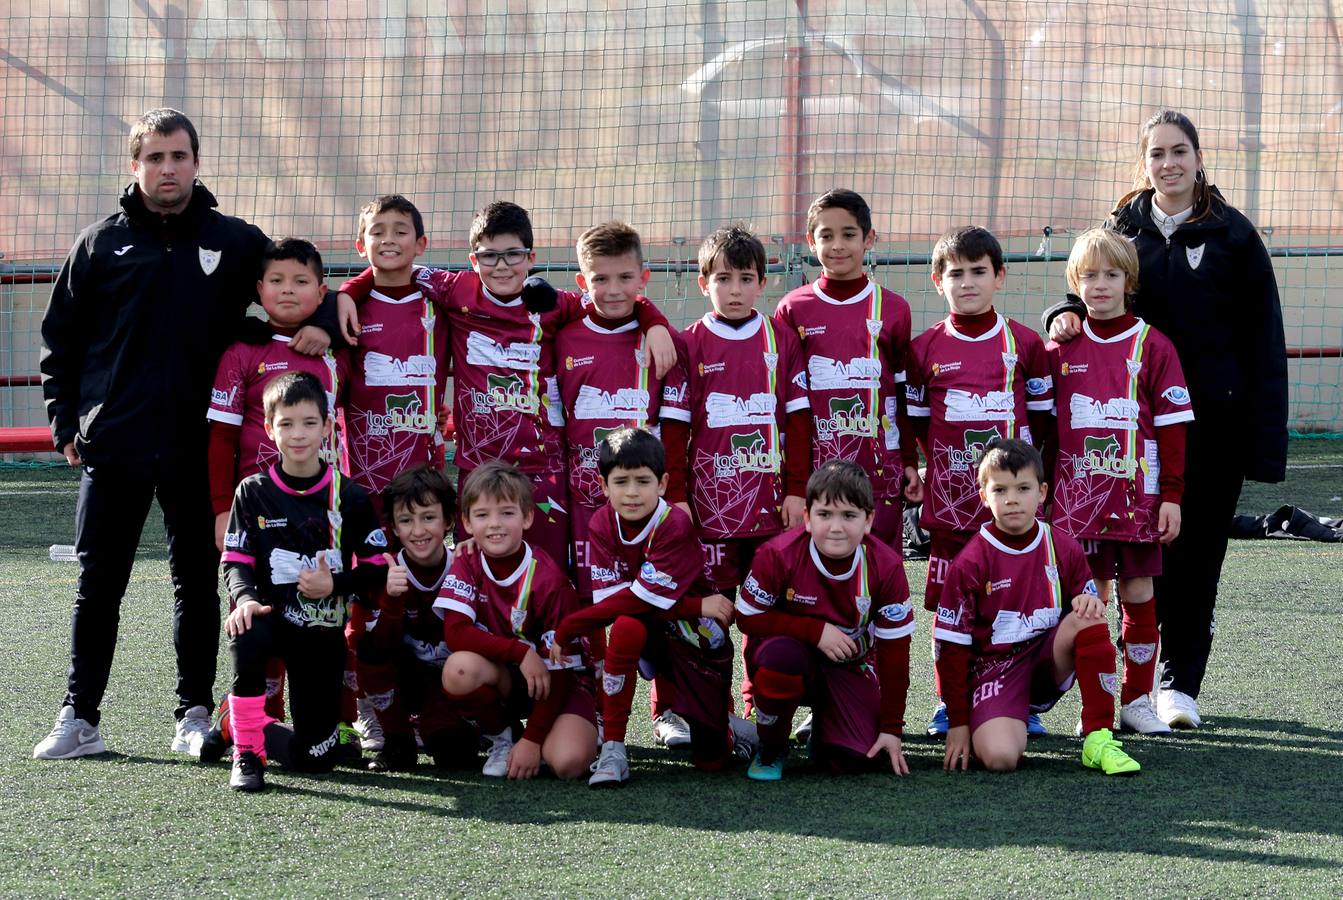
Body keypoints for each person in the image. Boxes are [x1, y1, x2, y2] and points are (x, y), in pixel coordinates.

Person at [34, 108, 337, 760]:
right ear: (135, 165)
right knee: (99, 582)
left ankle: (193, 714)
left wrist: (333, 316)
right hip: (113, 443)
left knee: (197, 580)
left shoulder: (233, 239)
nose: (167, 169)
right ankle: (79, 717)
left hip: (195, 447)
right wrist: (66, 421)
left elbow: (301, 277)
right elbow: (61, 339)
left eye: (178, 156)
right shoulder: (98, 244)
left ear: (196, 162)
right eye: (155, 158)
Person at [1043, 110, 1288, 728]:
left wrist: (1264, 442)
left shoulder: (1235, 236)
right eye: (1157, 154)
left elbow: (1265, 340)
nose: (1169, 164)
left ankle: (1180, 686)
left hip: (1212, 429)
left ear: (1199, 158)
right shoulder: (1123, 228)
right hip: (1126, 436)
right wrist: (1061, 314)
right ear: (1143, 163)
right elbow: (1091, 285)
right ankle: (1119, 690)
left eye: (1180, 151)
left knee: (1196, 557)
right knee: (1120, 568)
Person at [338, 201, 677, 567]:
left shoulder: (554, 305)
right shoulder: (454, 291)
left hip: (543, 469)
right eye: (490, 256)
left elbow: (612, 299)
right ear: (473, 260)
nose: (501, 266)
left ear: (531, 257)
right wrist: (346, 292)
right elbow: (389, 263)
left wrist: (653, 320)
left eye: (513, 255)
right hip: (477, 467)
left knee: (546, 572)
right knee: (477, 574)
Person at [905, 225, 1053, 736]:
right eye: (955, 273)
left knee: (1014, 605)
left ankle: (1021, 703)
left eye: (978, 272)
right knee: (952, 609)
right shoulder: (923, 349)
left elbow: (1043, 425)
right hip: (951, 510)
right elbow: (918, 424)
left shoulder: (1026, 344)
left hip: (1011, 511)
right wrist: (928, 467)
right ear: (937, 281)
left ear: (999, 276)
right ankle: (951, 703)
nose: (967, 283)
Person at [659, 224, 811, 717]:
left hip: (769, 510)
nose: (736, 290)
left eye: (746, 279)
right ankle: (682, 709)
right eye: (723, 279)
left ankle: (756, 704)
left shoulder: (781, 339)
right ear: (704, 284)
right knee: (704, 612)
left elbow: (798, 422)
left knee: (767, 612)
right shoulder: (689, 343)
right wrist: (677, 496)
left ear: (762, 283)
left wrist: (796, 491)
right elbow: (675, 432)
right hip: (709, 511)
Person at [1046, 228, 1193, 734]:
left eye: (1111, 275)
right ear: (1075, 281)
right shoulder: (1059, 348)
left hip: (1137, 503)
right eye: (1089, 276)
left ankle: (1136, 701)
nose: (1100, 285)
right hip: (1075, 504)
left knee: (1138, 594)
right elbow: (1042, 427)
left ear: (1129, 280)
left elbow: (1173, 428)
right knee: (1087, 602)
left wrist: (1171, 494)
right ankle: (1095, 706)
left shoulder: (1154, 345)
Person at [550, 427, 753, 787]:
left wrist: (570, 627)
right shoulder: (600, 523)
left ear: (662, 484)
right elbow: (620, 604)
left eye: (642, 481)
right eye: (621, 481)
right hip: (665, 620)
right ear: (603, 484)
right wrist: (694, 604)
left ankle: (728, 728)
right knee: (627, 626)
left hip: (698, 639)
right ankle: (614, 748)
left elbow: (638, 598)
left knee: (712, 760)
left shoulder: (673, 523)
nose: (631, 492)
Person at [206, 237, 352, 723]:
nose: (287, 291)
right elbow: (221, 440)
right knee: (257, 615)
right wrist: (222, 508)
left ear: (321, 291)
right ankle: (255, 721)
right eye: (276, 281)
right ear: (258, 289)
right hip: (257, 515)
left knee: (326, 615)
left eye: (301, 282)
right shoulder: (241, 352)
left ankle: (337, 721)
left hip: (322, 513)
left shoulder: (337, 351)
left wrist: (329, 324)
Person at [219, 372, 388, 791]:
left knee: (316, 760)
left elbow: (376, 569)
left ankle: (231, 722)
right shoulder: (252, 491)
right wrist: (243, 598)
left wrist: (336, 585)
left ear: (328, 428)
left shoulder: (349, 496)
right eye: (287, 424)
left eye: (310, 423)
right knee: (248, 629)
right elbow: (235, 560)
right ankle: (247, 753)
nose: (299, 434)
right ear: (270, 429)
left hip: (320, 630)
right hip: (270, 618)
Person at [936, 440, 1140, 776]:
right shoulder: (970, 561)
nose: (1012, 498)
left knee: (1089, 617)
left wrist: (1088, 600)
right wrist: (957, 721)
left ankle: (1098, 737)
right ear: (984, 496)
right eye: (1000, 489)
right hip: (995, 671)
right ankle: (990, 719)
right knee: (1001, 759)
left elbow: (1087, 604)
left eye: (1023, 488)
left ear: (1042, 492)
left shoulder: (1062, 546)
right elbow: (950, 648)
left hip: (1046, 662)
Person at [735, 460, 916, 780]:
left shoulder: (885, 566)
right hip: (787, 658)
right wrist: (814, 630)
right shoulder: (777, 554)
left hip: (848, 664)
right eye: (824, 514)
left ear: (869, 520)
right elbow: (747, 617)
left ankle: (827, 727)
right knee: (781, 660)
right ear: (806, 518)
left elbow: (896, 652)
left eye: (849, 516)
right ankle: (772, 746)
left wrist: (892, 728)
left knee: (855, 760)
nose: (835, 526)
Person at [773, 189, 922, 549]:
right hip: (816, 467)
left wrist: (908, 461)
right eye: (826, 236)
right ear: (811, 242)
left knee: (878, 568)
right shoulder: (793, 308)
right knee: (816, 570)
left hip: (878, 470)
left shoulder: (894, 308)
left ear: (869, 239)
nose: (837, 245)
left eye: (849, 235)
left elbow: (901, 393)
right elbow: (785, 400)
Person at [434, 462, 599, 780]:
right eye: (482, 515)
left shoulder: (549, 578)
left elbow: (562, 672)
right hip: (508, 677)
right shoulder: (467, 560)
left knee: (568, 763)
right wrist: (520, 653)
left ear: (527, 517)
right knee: (459, 669)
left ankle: (553, 732)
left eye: (507, 513)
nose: (494, 525)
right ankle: (502, 736)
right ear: (467, 522)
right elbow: (456, 634)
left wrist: (533, 740)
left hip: (556, 683)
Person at [351, 466, 479, 772]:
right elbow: (377, 647)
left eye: (428, 518)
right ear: (393, 527)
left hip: (451, 680)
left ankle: (481, 724)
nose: (418, 530)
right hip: (406, 678)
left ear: (449, 520)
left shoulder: (467, 564)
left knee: (454, 757)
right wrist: (392, 601)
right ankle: (397, 739)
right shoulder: (386, 570)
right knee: (367, 650)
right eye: (406, 520)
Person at [340, 195, 449, 518]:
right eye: (377, 232)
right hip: (365, 469)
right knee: (370, 561)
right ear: (361, 245)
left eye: (400, 231)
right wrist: (348, 291)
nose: (388, 239)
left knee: (421, 558)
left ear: (420, 244)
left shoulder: (441, 303)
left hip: (424, 468)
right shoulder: (347, 309)